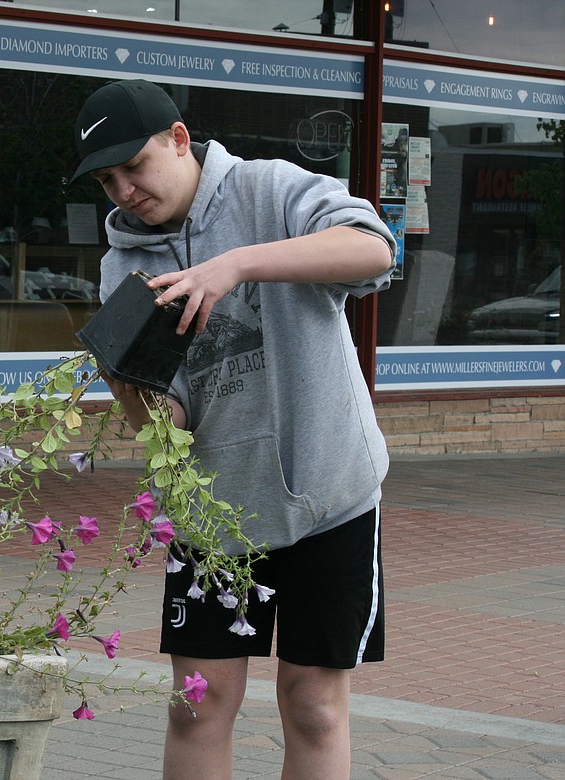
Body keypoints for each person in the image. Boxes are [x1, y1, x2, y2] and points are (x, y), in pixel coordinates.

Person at [70, 80, 396, 779]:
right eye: (107, 179)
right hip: (213, 514)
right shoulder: (123, 268)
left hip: (328, 494)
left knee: (313, 703)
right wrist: (134, 393)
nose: (124, 190)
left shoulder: (268, 190)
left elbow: (373, 249)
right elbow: (171, 424)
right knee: (199, 702)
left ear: (180, 140)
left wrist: (235, 264)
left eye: (135, 166)